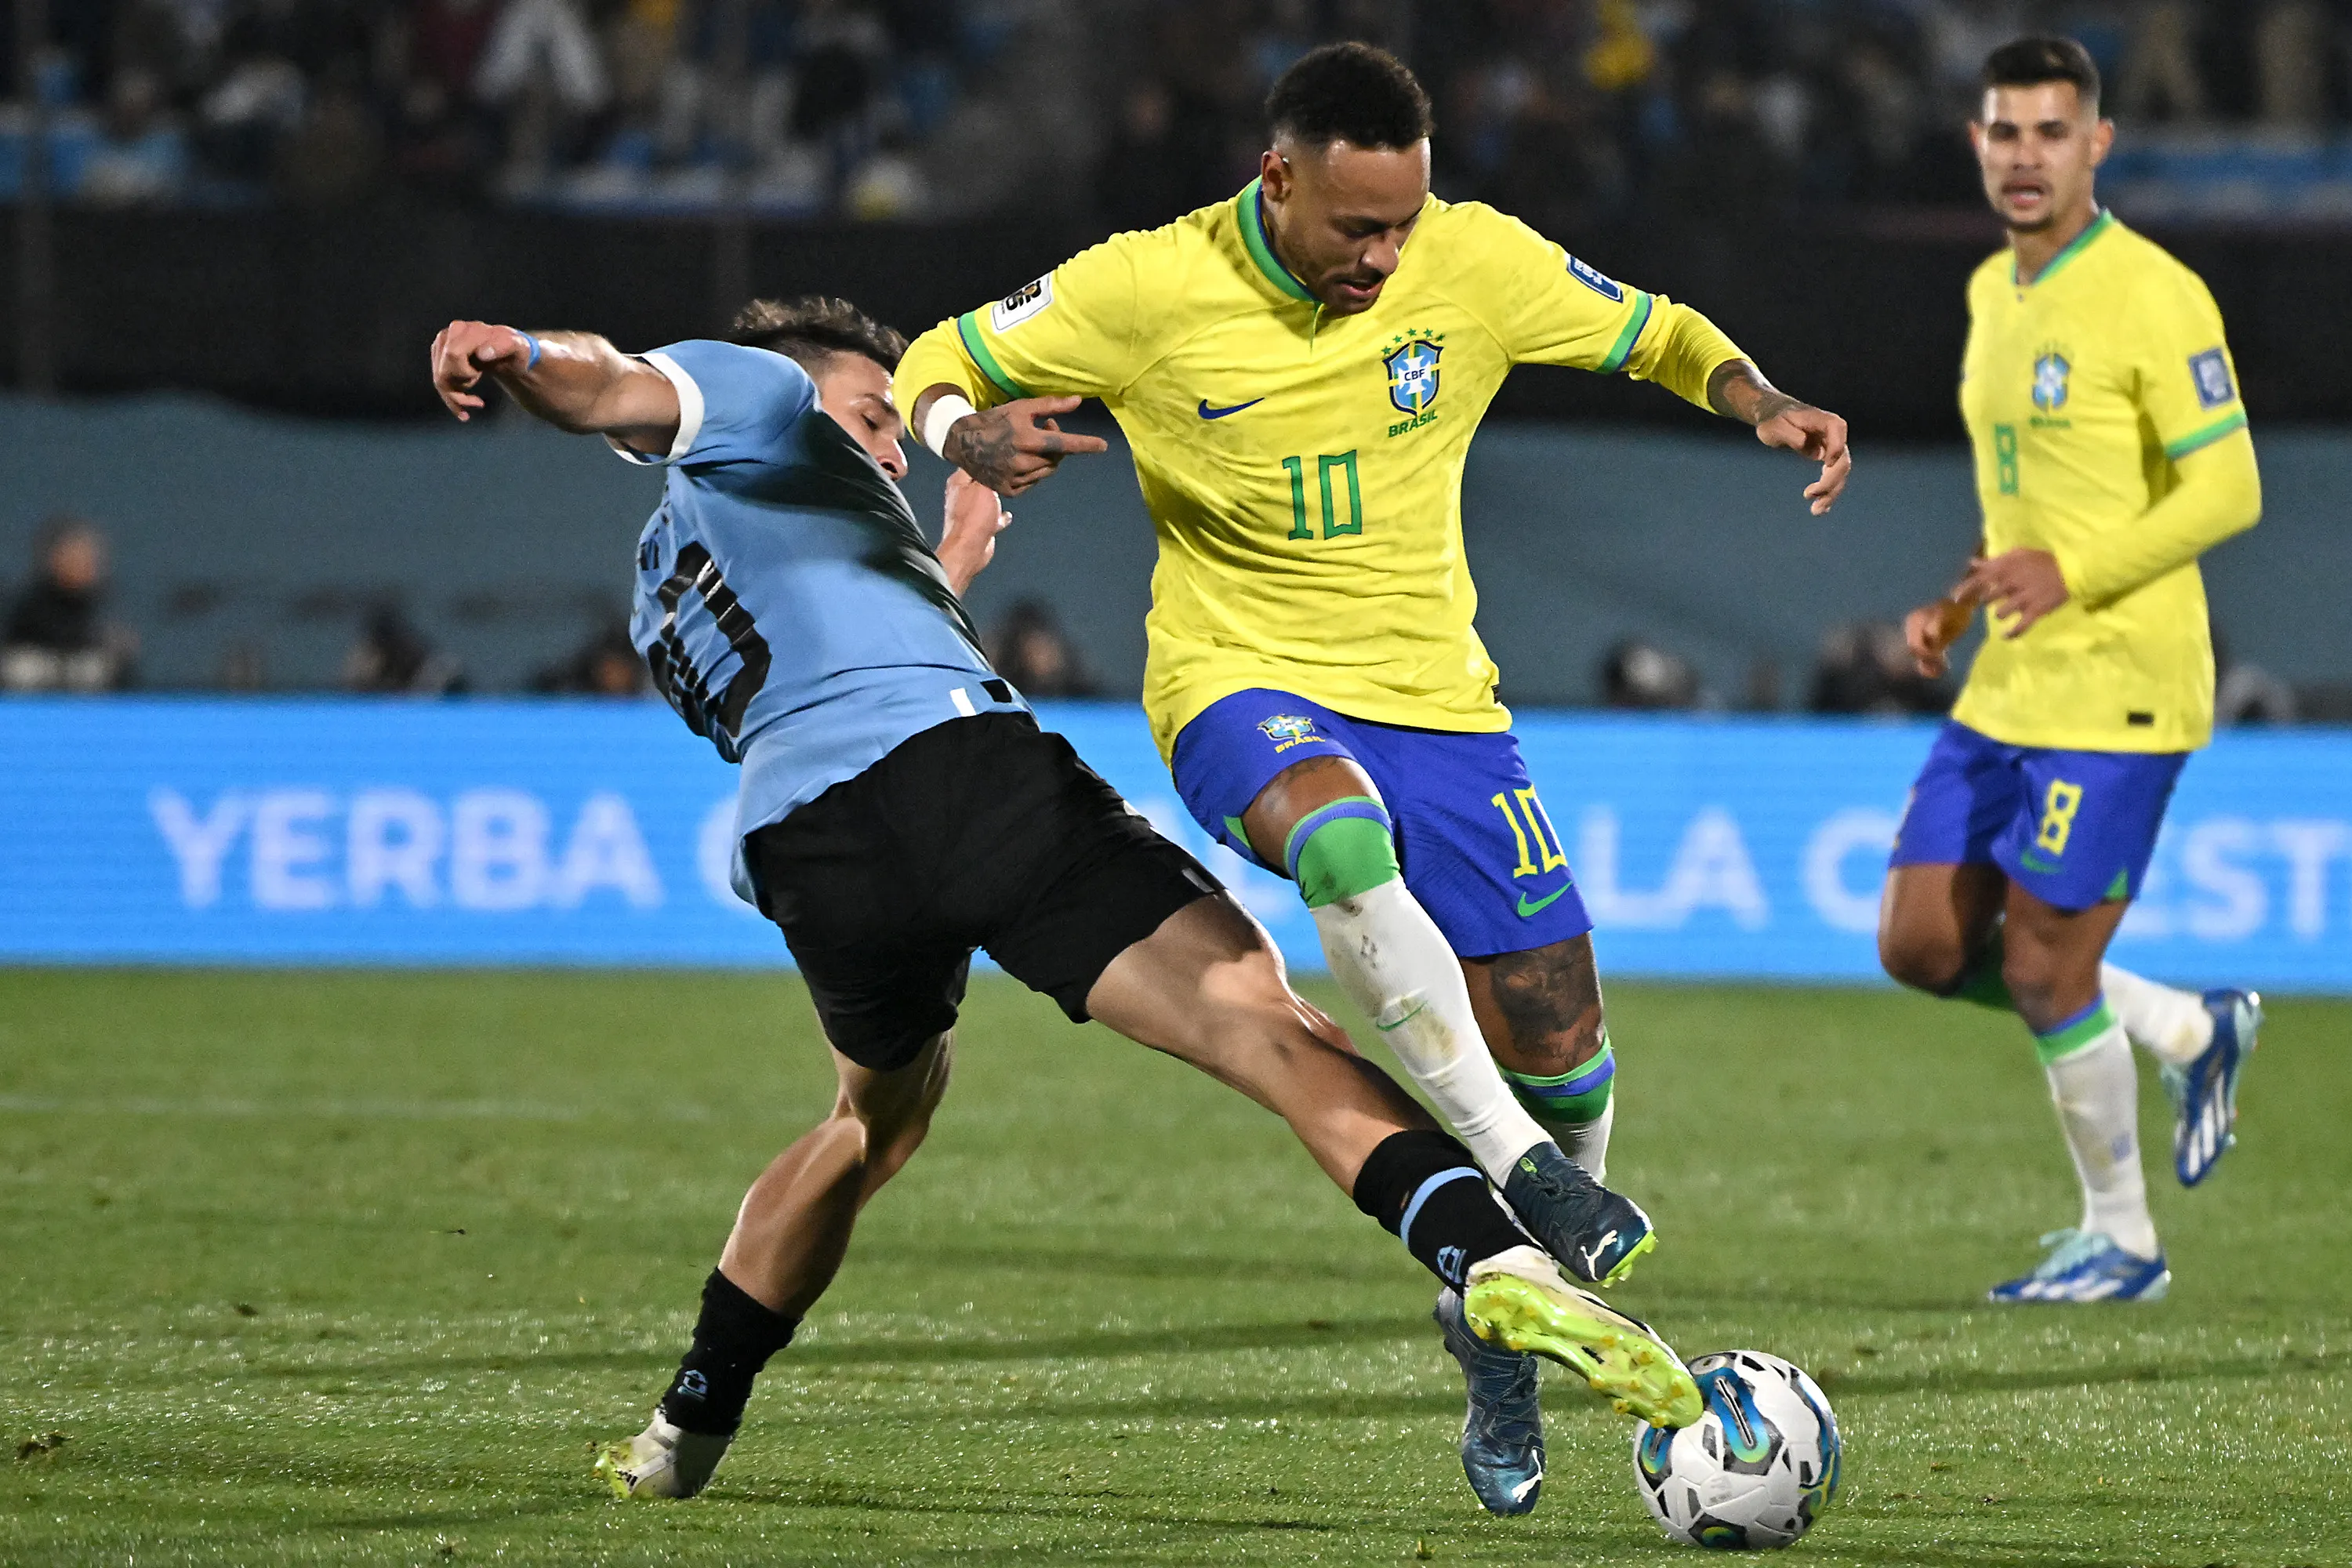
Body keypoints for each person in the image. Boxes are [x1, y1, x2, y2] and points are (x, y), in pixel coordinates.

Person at [427, 296, 1703, 1502]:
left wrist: (945, 565)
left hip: (809, 850)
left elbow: (835, 650)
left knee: (874, 1121)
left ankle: (689, 1421)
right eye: (873, 412)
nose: (890, 438)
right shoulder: (756, 387)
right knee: (1264, 1022)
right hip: (957, 770)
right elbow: (614, 383)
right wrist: (524, 355)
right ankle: (1499, 1259)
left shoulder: (672, 581)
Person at [893, 41, 1851, 1516]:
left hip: (1442, 704)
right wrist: (965, 432)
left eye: (1403, 221)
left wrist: (1764, 401)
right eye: (1355, 227)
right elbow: (932, 361)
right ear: (1277, 179)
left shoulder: (1471, 263)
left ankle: (1498, 1329)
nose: (1384, 254)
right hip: (1236, 680)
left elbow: (1655, 334)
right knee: (1338, 847)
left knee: (1560, 1026)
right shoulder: (1148, 285)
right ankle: (1517, 1171)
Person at [1885, 37, 2263, 1305]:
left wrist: (2076, 574)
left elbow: (2230, 485)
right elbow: (2022, 509)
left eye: (2052, 133)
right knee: (1921, 944)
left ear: (2097, 144)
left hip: (2123, 683)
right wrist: (1956, 602)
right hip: (2009, 680)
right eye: (2004, 133)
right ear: (1979, 144)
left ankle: (2126, 1242)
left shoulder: (2157, 293)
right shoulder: (1997, 294)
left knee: (2046, 967)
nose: (2025, 156)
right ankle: (2187, 1029)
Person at [2, 515, 138, 693]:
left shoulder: (102, 605)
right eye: (75, 554)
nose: (85, 564)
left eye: (90, 556)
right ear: (54, 559)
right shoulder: (29, 606)